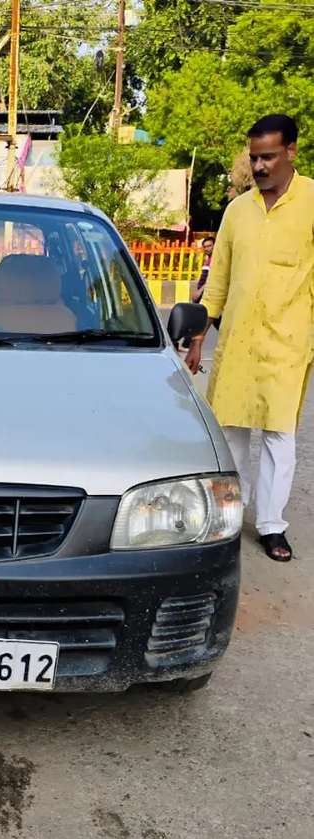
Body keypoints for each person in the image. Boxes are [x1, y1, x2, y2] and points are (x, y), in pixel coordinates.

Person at [185, 113, 314, 562]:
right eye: (254, 158)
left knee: (279, 437)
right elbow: (216, 280)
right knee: (231, 432)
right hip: (238, 340)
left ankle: (272, 526)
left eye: (269, 157)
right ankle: (226, 520)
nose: (259, 167)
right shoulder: (237, 211)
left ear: (291, 152)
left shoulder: (312, 202)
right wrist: (199, 335)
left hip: (289, 343)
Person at [192, 236, 215, 303]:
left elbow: (212, 279)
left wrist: (200, 291)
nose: (206, 249)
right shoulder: (208, 259)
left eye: (209, 246)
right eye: (204, 247)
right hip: (203, 293)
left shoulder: (215, 260)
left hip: (208, 294)